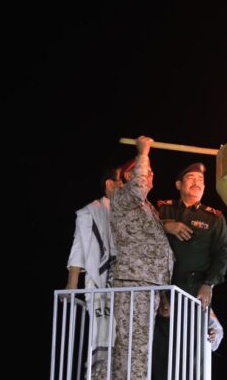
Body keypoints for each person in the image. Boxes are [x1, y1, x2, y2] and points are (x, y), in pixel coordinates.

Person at [94, 136, 175, 380]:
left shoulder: (143, 207)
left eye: (149, 171)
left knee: (130, 347)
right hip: (135, 283)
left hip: (145, 284)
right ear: (128, 177)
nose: (149, 175)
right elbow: (140, 185)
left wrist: (162, 294)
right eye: (144, 171)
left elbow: (153, 246)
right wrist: (143, 152)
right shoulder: (124, 198)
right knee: (135, 349)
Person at [152, 162, 227, 379]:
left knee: (191, 352)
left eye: (201, 180)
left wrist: (209, 284)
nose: (197, 183)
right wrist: (166, 225)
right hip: (164, 289)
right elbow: (143, 233)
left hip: (195, 290)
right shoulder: (162, 209)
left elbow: (223, 254)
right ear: (178, 184)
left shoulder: (213, 217)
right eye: (191, 178)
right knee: (160, 352)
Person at [64, 165, 121, 374]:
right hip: (101, 281)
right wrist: (72, 285)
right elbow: (78, 248)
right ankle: (98, 375)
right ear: (110, 184)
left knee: (124, 337)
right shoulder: (91, 211)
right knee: (102, 335)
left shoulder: (131, 212)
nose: (126, 186)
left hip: (126, 281)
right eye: (122, 181)